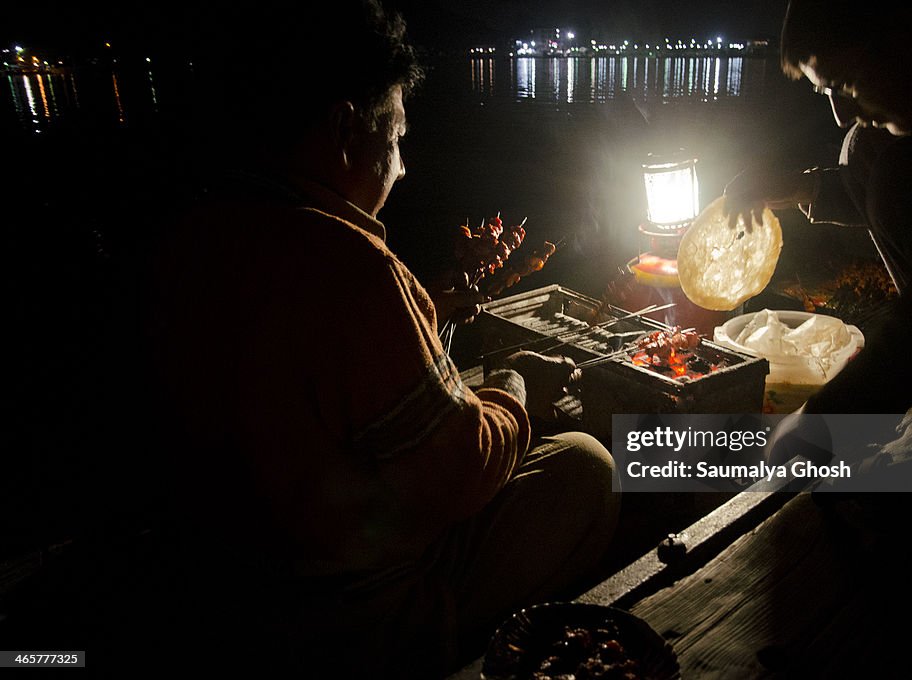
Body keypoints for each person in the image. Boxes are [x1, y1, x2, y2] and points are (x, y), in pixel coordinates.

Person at [142, 3, 619, 677]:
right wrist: (517, 391)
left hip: (218, 580)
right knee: (584, 463)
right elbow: (460, 472)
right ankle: (454, 647)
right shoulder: (348, 265)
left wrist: (431, 306)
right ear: (345, 128)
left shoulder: (194, 234)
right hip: (343, 618)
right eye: (396, 138)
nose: (403, 169)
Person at [724, 0, 912, 416]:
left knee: (896, 167)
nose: (840, 114)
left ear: (906, 37)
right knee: (865, 147)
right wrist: (796, 186)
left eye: (846, 85)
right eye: (825, 92)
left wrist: (823, 418)